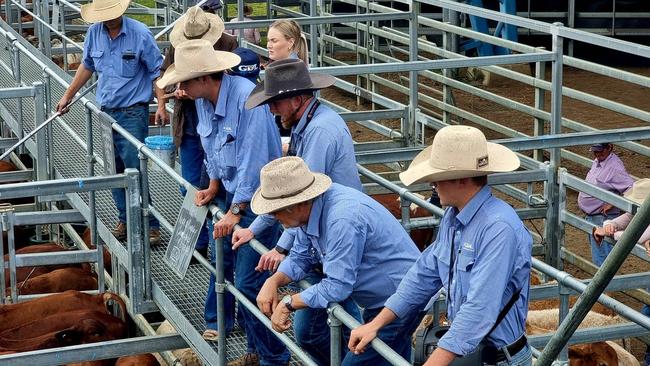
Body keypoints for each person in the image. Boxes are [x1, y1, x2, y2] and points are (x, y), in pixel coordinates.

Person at [349, 125, 533, 366]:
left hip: (497, 359)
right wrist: (376, 323)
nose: (432, 185)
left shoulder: (498, 228)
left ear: (461, 178)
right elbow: (425, 273)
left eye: (436, 178)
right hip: (471, 354)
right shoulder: (453, 217)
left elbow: (479, 309)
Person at [157, 40, 289, 366]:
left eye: (185, 80)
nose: (181, 88)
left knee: (246, 280)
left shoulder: (247, 100)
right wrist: (214, 185)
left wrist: (234, 211)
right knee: (233, 272)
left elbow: (253, 163)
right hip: (235, 192)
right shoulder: (204, 99)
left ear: (205, 78)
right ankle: (258, 351)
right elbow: (211, 143)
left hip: (261, 199)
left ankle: (274, 356)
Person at [233, 57, 363, 365]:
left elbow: (301, 196)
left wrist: (281, 246)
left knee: (323, 326)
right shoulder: (311, 125)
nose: (271, 109)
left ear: (296, 99)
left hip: (334, 230)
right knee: (336, 319)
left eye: (276, 102)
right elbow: (292, 195)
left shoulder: (319, 132)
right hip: (323, 229)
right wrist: (257, 229)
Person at [253, 157, 422, 365]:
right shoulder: (311, 213)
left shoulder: (342, 219)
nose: (272, 215)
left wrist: (288, 303)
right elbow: (301, 255)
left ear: (295, 204)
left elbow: (337, 287)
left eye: (275, 209)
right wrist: (274, 281)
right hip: (383, 299)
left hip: (401, 299)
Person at [56, 0, 162, 244]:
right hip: (106, 111)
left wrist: (162, 105)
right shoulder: (94, 32)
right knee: (113, 169)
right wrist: (67, 96)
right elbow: (87, 65)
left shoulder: (140, 34)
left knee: (134, 168)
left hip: (132, 111)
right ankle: (125, 218)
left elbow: (157, 71)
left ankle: (151, 224)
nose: (109, 19)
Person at [154, 6, 238, 260]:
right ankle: (199, 242)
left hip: (222, 123)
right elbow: (163, 79)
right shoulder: (176, 48)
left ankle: (219, 245)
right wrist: (168, 97)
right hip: (192, 122)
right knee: (191, 185)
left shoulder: (227, 44)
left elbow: (231, 79)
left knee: (222, 182)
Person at [592, 178, 650, 366]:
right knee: (647, 309)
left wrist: (609, 232)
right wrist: (610, 224)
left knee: (645, 314)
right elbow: (625, 219)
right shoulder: (639, 212)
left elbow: (634, 236)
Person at [577, 142, 634, 266]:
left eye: (600, 151)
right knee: (599, 255)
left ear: (609, 147)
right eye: (595, 151)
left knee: (602, 259)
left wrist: (613, 202)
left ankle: (605, 285)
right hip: (594, 217)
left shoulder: (614, 167)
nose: (597, 154)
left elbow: (631, 188)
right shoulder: (598, 161)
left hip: (603, 218)